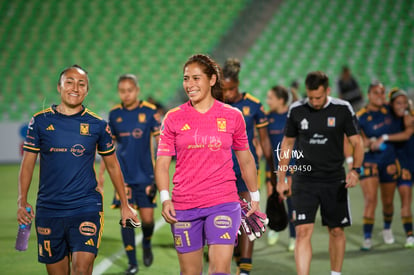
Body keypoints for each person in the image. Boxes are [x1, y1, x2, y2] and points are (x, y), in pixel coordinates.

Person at [17, 65, 139, 275]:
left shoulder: (98, 125)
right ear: (59, 87)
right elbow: (28, 163)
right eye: (70, 82)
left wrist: (125, 205)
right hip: (49, 209)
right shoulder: (40, 121)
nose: (75, 87)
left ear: (87, 90)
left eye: (81, 84)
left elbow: (112, 165)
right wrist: (22, 200)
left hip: (86, 207)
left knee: (81, 270)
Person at [155, 54, 262, 275]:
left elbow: (246, 158)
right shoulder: (173, 118)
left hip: (223, 202)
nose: (189, 85)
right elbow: (162, 163)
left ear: (212, 80)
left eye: (196, 78)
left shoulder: (233, 116)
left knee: (220, 270)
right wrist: (165, 199)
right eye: (186, 79)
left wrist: (255, 196)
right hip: (184, 206)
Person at [277, 71, 364, 275]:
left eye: (319, 97)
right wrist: (280, 178)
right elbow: (287, 144)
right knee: (302, 231)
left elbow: (356, 142)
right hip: (304, 179)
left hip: (334, 180)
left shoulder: (343, 109)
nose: (314, 102)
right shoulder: (297, 110)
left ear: (328, 91)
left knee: (336, 230)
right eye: (311, 97)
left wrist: (355, 170)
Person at [98, 74, 161, 274]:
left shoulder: (150, 112)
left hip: (146, 177)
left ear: (137, 90)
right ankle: (132, 263)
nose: (126, 94)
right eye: (122, 91)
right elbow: (109, 147)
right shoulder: (114, 114)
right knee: (127, 219)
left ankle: (147, 243)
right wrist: (100, 175)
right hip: (123, 178)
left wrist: (159, 175)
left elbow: (161, 145)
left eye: (130, 90)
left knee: (148, 220)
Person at [222, 58, 275, 275]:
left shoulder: (253, 105)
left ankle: (245, 268)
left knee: (248, 216)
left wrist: (273, 171)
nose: (229, 94)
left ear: (238, 83)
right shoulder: (216, 105)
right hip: (220, 172)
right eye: (224, 90)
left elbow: (264, 141)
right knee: (227, 220)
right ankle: (234, 256)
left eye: (232, 88)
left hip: (245, 171)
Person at [356, 81, 399, 250]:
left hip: (389, 160)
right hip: (369, 161)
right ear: (369, 95)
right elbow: (352, 140)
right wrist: (364, 142)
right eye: (376, 93)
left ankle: (387, 229)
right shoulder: (360, 116)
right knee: (370, 200)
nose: (380, 96)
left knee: (388, 201)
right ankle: (367, 237)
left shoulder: (390, 110)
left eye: (382, 92)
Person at [371, 88, 414, 248]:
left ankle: (409, 235)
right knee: (390, 201)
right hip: (396, 164)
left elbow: (407, 134)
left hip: (408, 163)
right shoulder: (387, 116)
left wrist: (385, 137)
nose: (401, 105)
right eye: (398, 103)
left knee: (406, 199)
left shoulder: (410, 117)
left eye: (404, 102)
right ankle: (388, 229)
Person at [265, 85, 296, 251]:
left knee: (292, 203)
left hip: (291, 167)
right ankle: (273, 229)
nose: (268, 101)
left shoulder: (292, 116)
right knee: (272, 201)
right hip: (272, 168)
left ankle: (293, 236)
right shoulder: (267, 118)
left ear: (281, 100)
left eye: (271, 98)